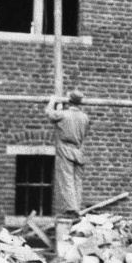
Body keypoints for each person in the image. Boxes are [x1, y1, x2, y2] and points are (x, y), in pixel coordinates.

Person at [45, 90, 90, 218]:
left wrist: (52, 100)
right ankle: (76, 207)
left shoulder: (63, 115)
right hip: (78, 150)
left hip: (65, 149)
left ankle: (72, 209)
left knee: (67, 179)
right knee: (77, 181)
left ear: (69, 101)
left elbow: (49, 113)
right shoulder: (84, 117)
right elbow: (84, 134)